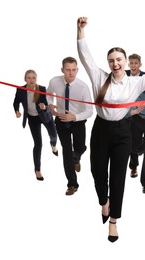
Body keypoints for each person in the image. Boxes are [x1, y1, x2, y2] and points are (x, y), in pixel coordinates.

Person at [77, 16, 145, 242]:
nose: (115, 64)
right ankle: (104, 202)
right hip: (101, 130)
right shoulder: (99, 78)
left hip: (122, 132)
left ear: (126, 62)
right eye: (111, 60)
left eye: (119, 60)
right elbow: (85, 56)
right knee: (98, 173)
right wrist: (80, 30)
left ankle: (114, 221)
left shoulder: (135, 82)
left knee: (118, 178)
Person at [47, 56, 93, 196]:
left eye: (74, 70)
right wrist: (50, 105)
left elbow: (90, 111)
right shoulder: (54, 81)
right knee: (66, 152)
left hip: (77, 120)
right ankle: (72, 184)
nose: (71, 73)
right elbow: (48, 94)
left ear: (77, 70)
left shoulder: (83, 87)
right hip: (61, 120)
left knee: (80, 147)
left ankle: (77, 157)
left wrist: (74, 117)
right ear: (62, 70)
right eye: (68, 70)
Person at [13, 69, 58, 181]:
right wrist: (17, 111)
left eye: (33, 77)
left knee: (54, 135)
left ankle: (53, 145)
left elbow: (48, 103)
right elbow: (16, 102)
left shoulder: (42, 89)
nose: (31, 80)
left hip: (44, 116)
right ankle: (37, 170)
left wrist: (45, 107)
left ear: (36, 79)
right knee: (38, 144)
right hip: (32, 119)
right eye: (29, 77)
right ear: (25, 79)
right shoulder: (20, 90)